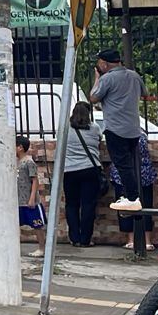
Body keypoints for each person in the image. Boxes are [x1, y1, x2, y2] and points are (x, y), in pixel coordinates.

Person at [91, 48, 147, 213]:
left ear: (104, 63)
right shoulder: (134, 76)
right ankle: (129, 195)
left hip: (116, 128)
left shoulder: (107, 78)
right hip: (134, 128)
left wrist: (97, 79)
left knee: (123, 165)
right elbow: (144, 93)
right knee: (129, 164)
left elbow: (93, 97)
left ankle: (132, 198)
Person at [62, 102, 105, 247]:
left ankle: (74, 238)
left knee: (72, 205)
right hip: (90, 169)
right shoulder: (94, 128)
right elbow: (100, 140)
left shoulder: (65, 127)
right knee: (88, 205)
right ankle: (86, 239)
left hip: (70, 171)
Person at [16, 135, 45, 254]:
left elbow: (34, 180)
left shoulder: (29, 162)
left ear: (20, 147)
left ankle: (42, 248)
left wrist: (32, 198)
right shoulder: (16, 162)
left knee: (37, 225)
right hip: (19, 200)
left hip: (29, 200)